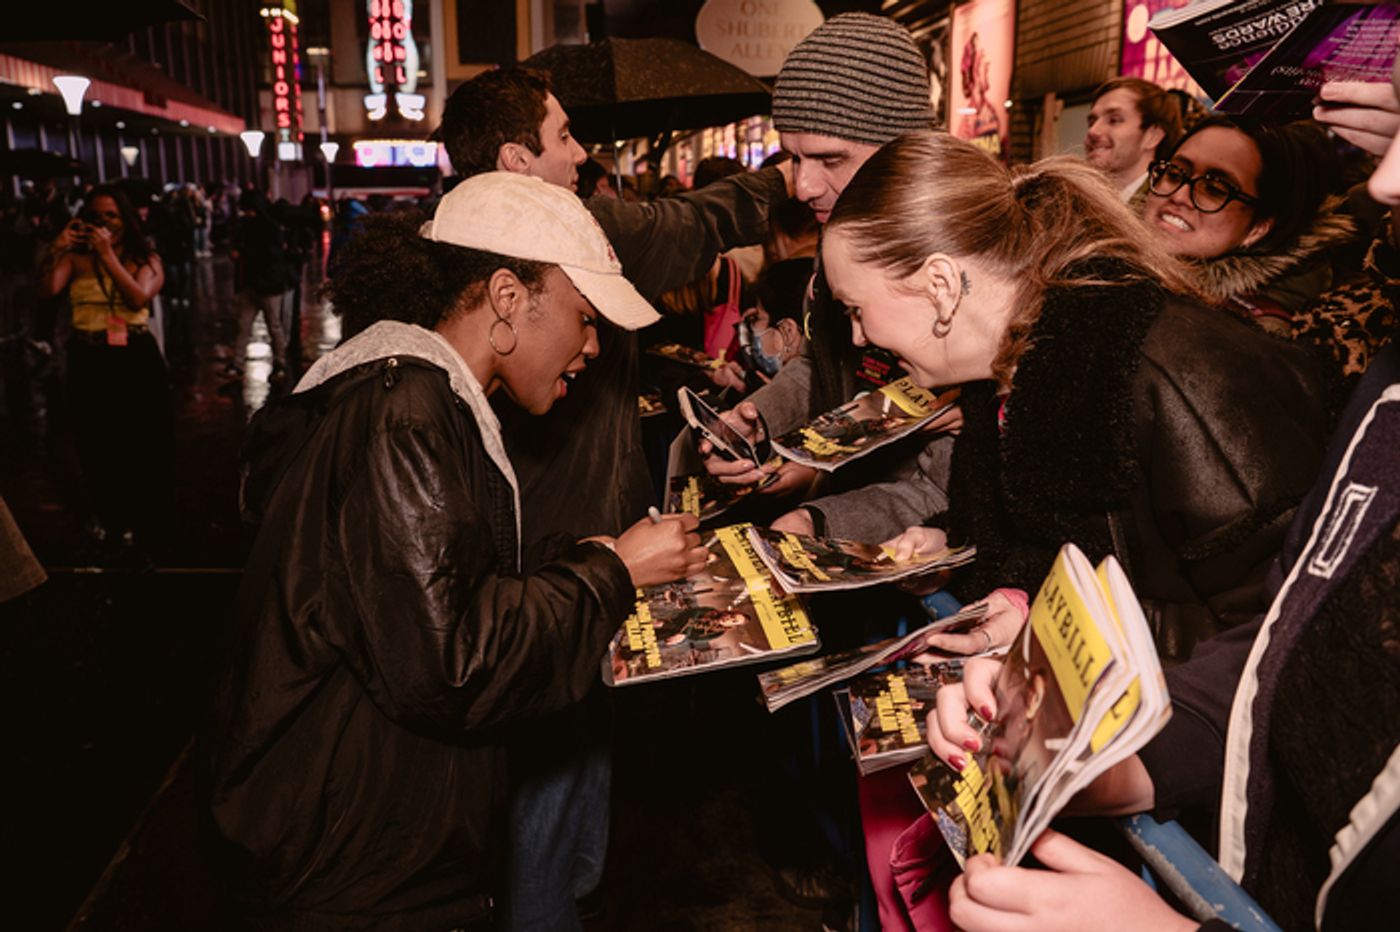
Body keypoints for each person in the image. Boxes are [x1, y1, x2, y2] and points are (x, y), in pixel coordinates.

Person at [202, 172, 707, 931]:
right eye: (582, 317)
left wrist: (574, 553)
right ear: (507, 298)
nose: (593, 346)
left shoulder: (430, 401)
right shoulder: (403, 416)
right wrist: (612, 574)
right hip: (355, 869)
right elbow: (453, 665)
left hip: (376, 842)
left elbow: (434, 582)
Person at [435, 64, 789, 930]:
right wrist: (784, 176)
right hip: (551, 576)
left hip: (570, 575)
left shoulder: (478, 257)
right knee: (546, 793)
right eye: (563, 136)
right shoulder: (547, 239)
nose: (581, 153)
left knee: (573, 780)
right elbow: (680, 230)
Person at [704, 12, 957, 544]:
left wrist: (822, 516)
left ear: (903, 149)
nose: (802, 186)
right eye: (794, 157)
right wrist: (759, 418)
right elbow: (825, 362)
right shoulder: (839, 234)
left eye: (828, 159)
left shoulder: (959, 270)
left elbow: (941, 489)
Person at [36, 184, 173, 553]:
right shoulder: (75, 257)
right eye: (95, 216)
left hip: (134, 354)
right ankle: (108, 512)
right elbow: (47, 289)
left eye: (110, 215)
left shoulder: (147, 257)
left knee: (139, 438)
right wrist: (57, 246)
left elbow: (137, 297)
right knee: (95, 438)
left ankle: (143, 513)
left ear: (125, 219)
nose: (103, 223)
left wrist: (108, 255)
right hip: (89, 354)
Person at [1142, 116, 1355, 335]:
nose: (1179, 195)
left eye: (1214, 189)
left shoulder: (1248, 332)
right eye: (1174, 173)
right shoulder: (1114, 254)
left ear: (1259, 228)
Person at [1083, 77, 1183, 207]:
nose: (1092, 131)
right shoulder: (1082, 198)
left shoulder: (1164, 208)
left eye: (1114, 120)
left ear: (1153, 136)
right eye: (1092, 121)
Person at [229, 189, 295, 380]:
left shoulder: (270, 229)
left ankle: (279, 362)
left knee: (273, 326)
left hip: (268, 286)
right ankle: (238, 363)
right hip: (254, 284)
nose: (246, 213)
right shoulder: (249, 226)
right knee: (245, 325)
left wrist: (243, 253)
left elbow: (272, 257)